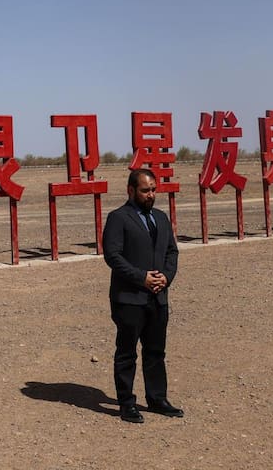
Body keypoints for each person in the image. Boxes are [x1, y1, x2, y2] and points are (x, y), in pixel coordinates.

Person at [102, 168, 183, 423]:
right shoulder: (118, 218)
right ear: (131, 191)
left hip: (158, 297)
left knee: (155, 351)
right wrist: (141, 277)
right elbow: (112, 256)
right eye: (145, 190)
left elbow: (172, 252)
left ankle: (157, 399)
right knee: (127, 352)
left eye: (153, 190)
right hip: (129, 298)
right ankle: (127, 403)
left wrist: (165, 278)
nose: (151, 195)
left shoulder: (160, 218)